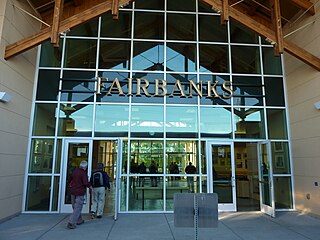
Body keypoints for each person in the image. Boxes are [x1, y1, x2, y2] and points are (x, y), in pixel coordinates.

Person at [67, 160, 92, 229]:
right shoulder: (83, 173)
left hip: (72, 191)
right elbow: (85, 183)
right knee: (78, 207)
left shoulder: (74, 171)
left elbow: (69, 179)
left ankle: (79, 220)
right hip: (79, 192)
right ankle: (71, 222)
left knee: (75, 206)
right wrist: (90, 186)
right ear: (85, 167)